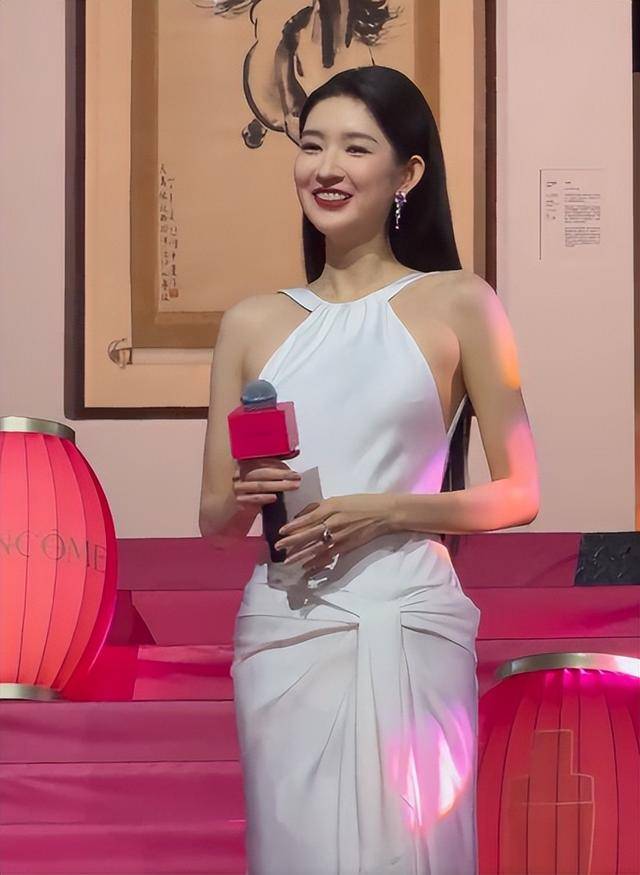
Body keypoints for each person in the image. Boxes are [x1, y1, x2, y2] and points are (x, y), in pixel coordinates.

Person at [199, 65, 539, 875]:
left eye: (355, 147)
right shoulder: (250, 322)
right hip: (289, 628)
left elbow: (521, 491)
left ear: (406, 174)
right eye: (312, 145)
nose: (326, 167)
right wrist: (245, 495)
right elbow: (215, 521)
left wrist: (385, 511)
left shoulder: (462, 302)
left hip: (408, 617)